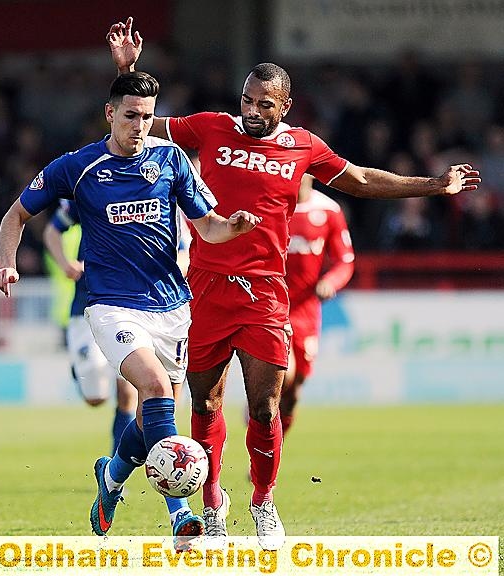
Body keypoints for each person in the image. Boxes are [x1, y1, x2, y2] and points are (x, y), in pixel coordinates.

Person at [106, 17, 481, 548]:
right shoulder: (211, 127)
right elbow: (140, 123)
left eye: (264, 104)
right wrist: (129, 71)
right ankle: (213, 499)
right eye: (247, 100)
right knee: (206, 405)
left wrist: (432, 184)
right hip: (206, 289)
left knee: (264, 407)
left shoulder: (303, 146)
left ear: (284, 106)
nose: (252, 111)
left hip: (265, 295)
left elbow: (363, 180)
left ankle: (263, 501)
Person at [0, 72, 261, 551]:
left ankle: (111, 476)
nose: (141, 125)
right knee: (153, 390)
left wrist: (232, 226)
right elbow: (17, 215)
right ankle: (180, 514)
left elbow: (209, 228)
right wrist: (7, 264)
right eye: (132, 115)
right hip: (111, 306)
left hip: (173, 307)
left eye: (149, 116)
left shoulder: (171, 159)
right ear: (110, 114)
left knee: (151, 418)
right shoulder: (78, 167)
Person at [43, 200, 138, 456]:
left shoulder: (139, 198)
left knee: (127, 391)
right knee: (96, 398)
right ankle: (80, 369)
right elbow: (51, 231)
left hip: (126, 308)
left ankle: (118, 466)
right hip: (86, 306)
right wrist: (65, 264)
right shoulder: (84, 196)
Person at [281, 174, 354, 436]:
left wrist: (331, 282)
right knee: (282, 376)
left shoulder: (328, 211)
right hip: (272, 305)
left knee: (294, 391)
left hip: (306, 310)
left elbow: (345, 261)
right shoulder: (271, 204)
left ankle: (271, 445)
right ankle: (260, 429)